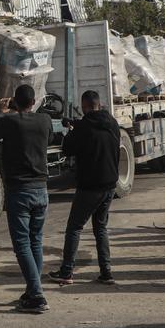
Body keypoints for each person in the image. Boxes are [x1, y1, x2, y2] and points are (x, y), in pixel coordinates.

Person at [0, 84, 53, 313]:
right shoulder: (44, 121)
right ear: (34, 102)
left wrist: (0, 112)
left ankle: (37, 295)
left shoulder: (10, 122)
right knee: (35, 241)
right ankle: (33, 290)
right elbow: (48, 137)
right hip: (41, 190)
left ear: (15, 101)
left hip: (20, 191)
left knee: (22, 244)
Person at [48, 90, 121, 285]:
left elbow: (68, 149)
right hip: (110, 185)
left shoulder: (83, 128)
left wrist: (71, 130)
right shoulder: (112, 123)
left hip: (90, 185)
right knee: (101, 229)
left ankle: (66, 272)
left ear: (85, 106)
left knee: (74, 228)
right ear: (99, 104)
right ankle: (106, 273)